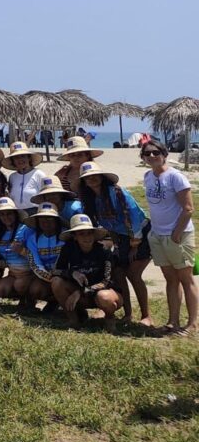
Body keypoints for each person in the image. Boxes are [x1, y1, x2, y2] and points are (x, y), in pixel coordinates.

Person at [76, 161, 151, 325]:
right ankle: (128, 313)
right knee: (118, 272)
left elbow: (134, 216)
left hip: (140, 234)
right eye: (87, 178)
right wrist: (117, 244)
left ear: (102, 177)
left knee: (133, 274)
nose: (92, 179)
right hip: (121, 238)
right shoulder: (91, 200)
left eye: (95, 176)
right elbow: (109, 226)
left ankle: (146, 315)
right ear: (84, 182)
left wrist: (135, 244)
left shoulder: (116, 192)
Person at [140, 139, 197, 336]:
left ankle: (192, 324)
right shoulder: (148, 176)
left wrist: (176, 234)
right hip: (157, 234)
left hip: (177, 235)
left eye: (156, 152)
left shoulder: (175, 177)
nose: (152, 156)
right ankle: (173, 321)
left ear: (164, 153)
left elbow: (188, 208)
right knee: (170, 279)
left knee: (186, 278)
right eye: (147, 153)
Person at [51, 214, 121, 332]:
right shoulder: (68, 248)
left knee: (104, 297)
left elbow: (106, 280)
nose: (86, 237)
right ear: (74, 236)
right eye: (81, 233)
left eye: (89, 233)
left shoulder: (104, 250)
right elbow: (55, 271)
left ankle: (109, 317)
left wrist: (81, 291)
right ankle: (74, 320)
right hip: (81, 295)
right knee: (56, 282)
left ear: (94, 234)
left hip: (102, 292)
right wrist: (72, 273)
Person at [22, 204, 65, 310]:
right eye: (42, 219)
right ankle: (53, 301)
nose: (46, 221)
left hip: (65, 276)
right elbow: (35, 263)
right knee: (35, 290)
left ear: (56, 220)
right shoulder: (33, 239)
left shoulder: (65, 236)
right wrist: (51, 278)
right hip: (44, 276)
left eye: (50, 218)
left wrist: (61, 276)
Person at [0, 198, 32, 305]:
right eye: (2, 214)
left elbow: (36, 254)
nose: (6, 217)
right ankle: (22, 295)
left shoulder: (25, 230)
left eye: (9, 213)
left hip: (30, 273)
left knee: (20, 284)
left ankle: (29, 298)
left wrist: (22, 251)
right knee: (0, 289)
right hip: (13, 274)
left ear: (15, 214)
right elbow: (3, 256)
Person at [2, 142, 47, 211]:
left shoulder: (39, 174)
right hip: (17, 212)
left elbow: (46, 196)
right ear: (13, 161)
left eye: (23, 156)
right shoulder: (12, 177)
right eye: (16, 157)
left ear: (29, 158)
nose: (20, 160)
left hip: (36, 211)